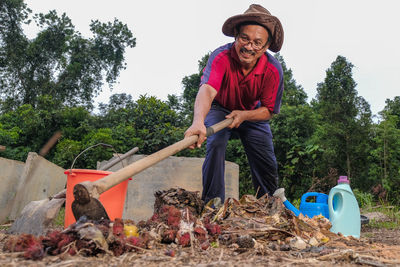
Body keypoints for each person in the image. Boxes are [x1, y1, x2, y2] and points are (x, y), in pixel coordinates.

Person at [184, 4, 285, 204]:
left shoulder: (273, 70)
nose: (249, 47)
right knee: (216, 142)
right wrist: (198, 122)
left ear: (265, 47)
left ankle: (270, 205)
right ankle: (213, 205)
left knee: (266, 159)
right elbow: (207, 90)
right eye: (245, 39)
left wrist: (245, 115)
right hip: (220, 109)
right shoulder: (221, 57)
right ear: (236, 36)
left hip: (253, 114)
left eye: (257, 43)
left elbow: (269, 110)